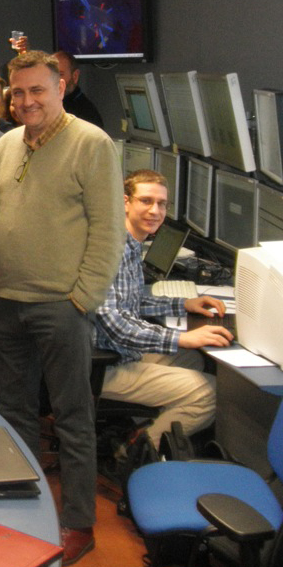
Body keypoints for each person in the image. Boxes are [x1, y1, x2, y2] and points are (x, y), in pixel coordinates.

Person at [0, 51, 123, 567]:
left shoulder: (92, 144)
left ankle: (77, 524)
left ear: (61, 89)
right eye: (18, 93)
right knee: (15, 413)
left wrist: (81, 299)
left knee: (72, 419)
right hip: (5, 301)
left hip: (61, 307)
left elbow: (109, 232)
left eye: (37, 91)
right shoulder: (5, 145)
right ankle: (23, 509)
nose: (26, 101)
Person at [91, 170, 230, 445]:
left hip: (116, 352)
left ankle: (135, 429)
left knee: (194, 360)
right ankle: (138, 453)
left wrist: (183, 303)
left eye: (161, 204)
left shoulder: (129, 244)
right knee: (207, 392)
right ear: (125, 202)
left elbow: (130, 299)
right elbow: (116, 323)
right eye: (146, 201)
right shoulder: (109, 249)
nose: (155, 211)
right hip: (101, 364)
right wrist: (182, 337)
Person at [53, 50, 104, 128]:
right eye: (51, 74)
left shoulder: (87, 115)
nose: (54, 80)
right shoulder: (46, 106)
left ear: (75, 76)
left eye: (60, 74)